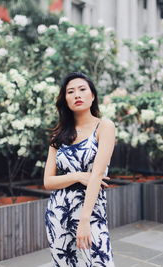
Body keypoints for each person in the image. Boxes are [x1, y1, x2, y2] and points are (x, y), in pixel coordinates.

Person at [43, 72, 116, 266]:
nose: (77, 95)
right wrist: (78, 176)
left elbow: (98, 175)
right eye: (71, 91)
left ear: (92, 96)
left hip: (90, 212)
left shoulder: (104, 127)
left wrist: (85, 220)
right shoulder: (58, 135)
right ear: (65, 100)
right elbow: (48, 182)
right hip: (58, 212)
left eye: (82, 90)